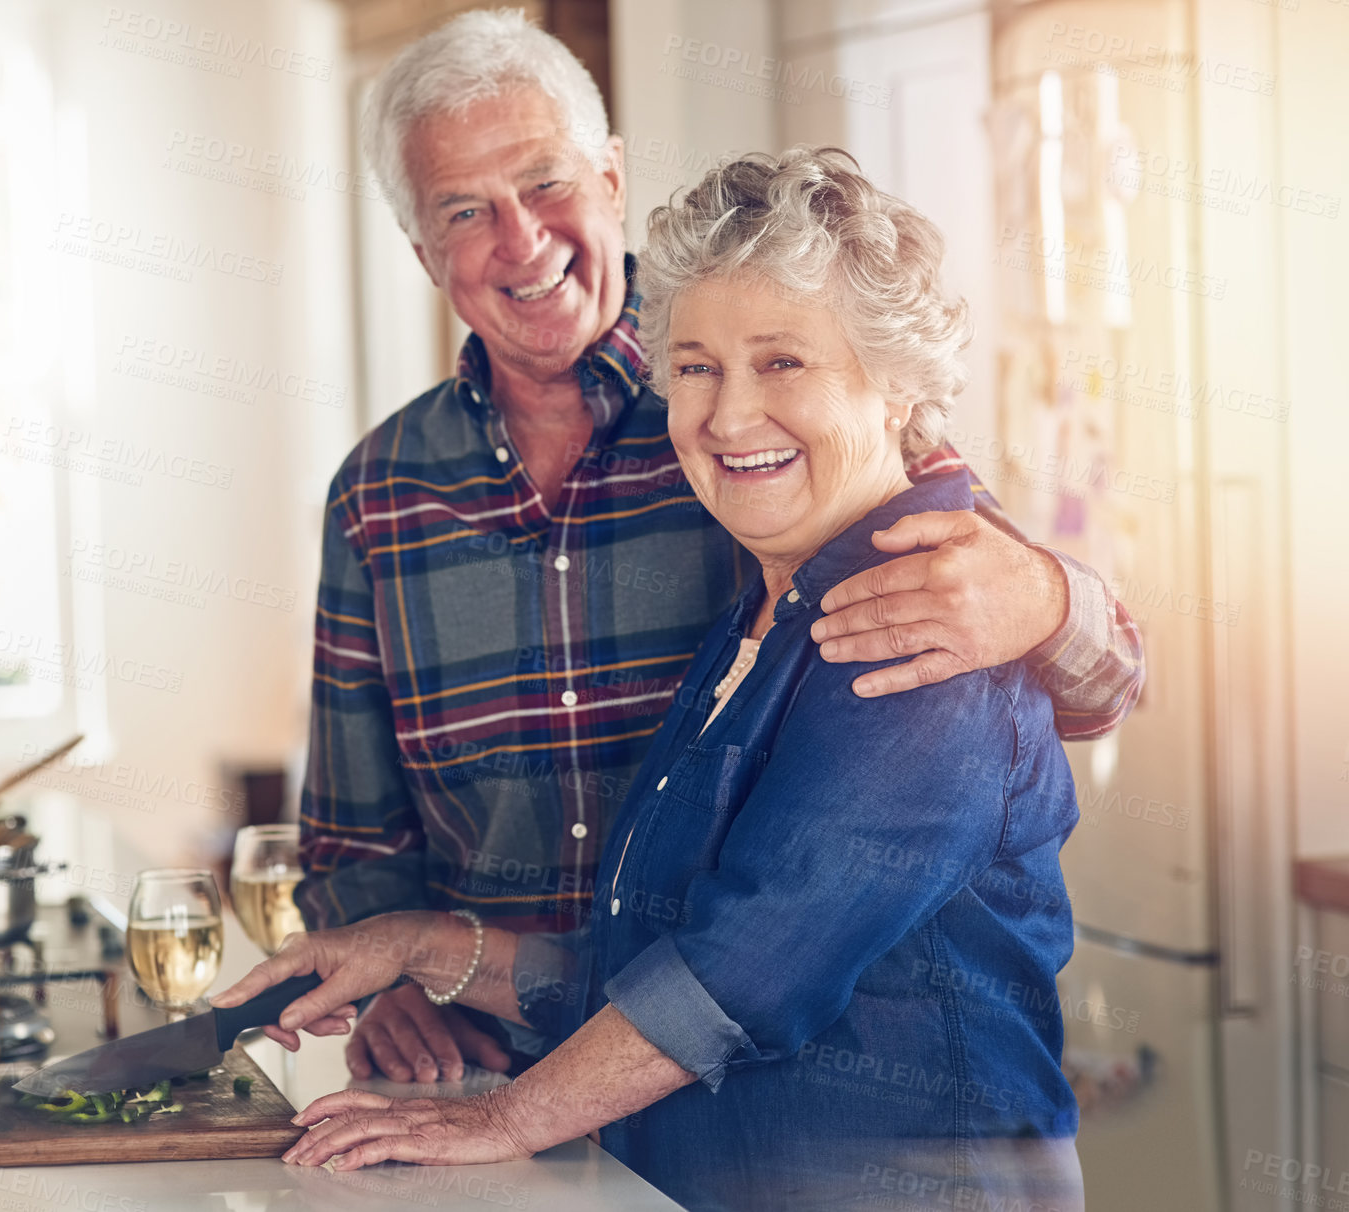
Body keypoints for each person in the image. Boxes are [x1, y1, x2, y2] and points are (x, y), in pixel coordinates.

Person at [219, 146, 1085, 1212]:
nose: (725, 418)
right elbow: (648, 949)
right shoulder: (760, 614)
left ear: (898, 385)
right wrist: (417, 945)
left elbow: (743, 969)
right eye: (694, 367)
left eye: (781, 363)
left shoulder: (926, 613)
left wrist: (501, 1116)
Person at [292, 7, 1141, 1086]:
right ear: (423, 252)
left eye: (545, 182)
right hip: (487, 1068)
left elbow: (1095, 681)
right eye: (465, 209)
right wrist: (400, 980)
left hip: (765, 1087)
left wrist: (1049, 598)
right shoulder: (380, 492)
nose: (520, 239)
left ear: (610, 177)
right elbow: (351, 840)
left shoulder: (763, 425)